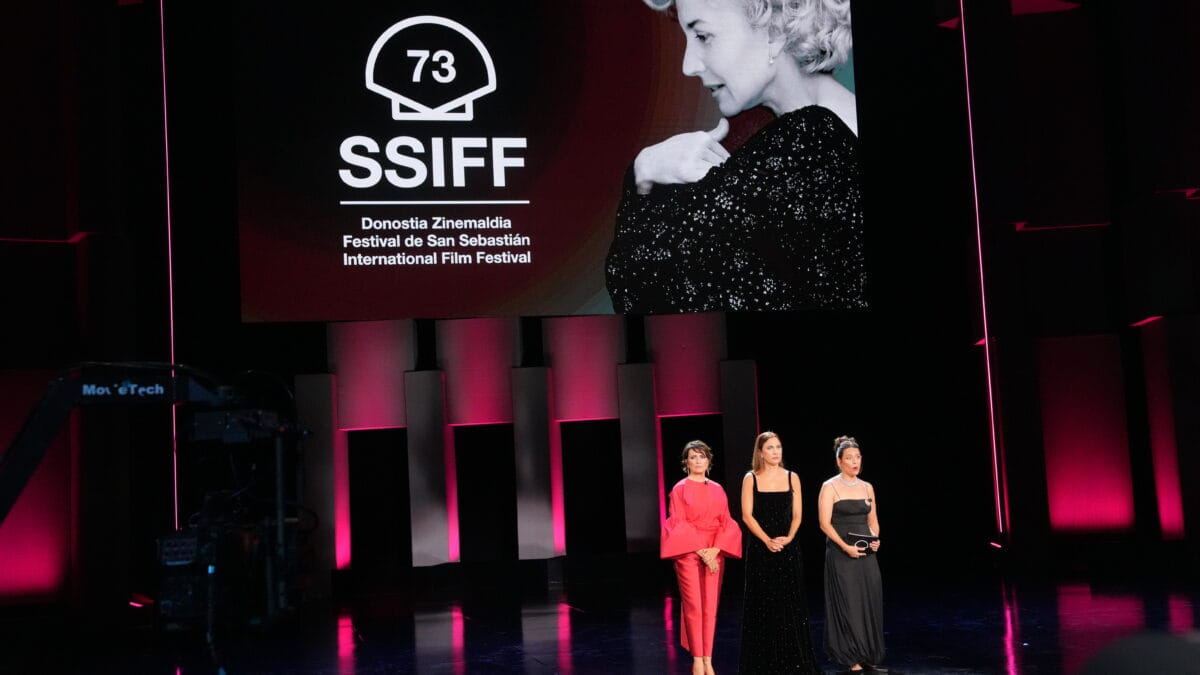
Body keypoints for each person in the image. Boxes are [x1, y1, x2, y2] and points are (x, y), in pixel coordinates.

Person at [605, 0, 865, 314]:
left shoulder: (809, 140)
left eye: (702, 36)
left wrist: (643, 170)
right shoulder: (821, 126)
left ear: (774, 30)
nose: (688, 65)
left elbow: (634, 285)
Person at [738, 431, 821, 673]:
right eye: (770, 448)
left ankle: (793, 662)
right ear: (760, 453)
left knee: (790, 605)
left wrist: (789, 537)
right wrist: (767, 540)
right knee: (763, 605)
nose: (776, 452)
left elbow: (797, 515)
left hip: (787, 549)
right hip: (761, 550)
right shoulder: (750, 478)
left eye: (778, 447)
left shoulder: (792, 477)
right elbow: (747, 516)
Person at [662, 440, 743, 675]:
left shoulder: (717, 489)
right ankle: (697, 659)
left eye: (702, 456)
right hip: (689, 552)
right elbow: (677, 523)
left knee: (710, 607)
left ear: (709, 461)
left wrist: (715, 550)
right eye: (693, 457)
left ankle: (708, 658)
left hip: (714, 550)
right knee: (694, 606)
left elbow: (726, 521)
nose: (698, 461)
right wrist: (700, 551)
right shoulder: (680, 489)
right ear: (686, 462)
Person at [818, 435, 885, 672]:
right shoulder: (829, 487)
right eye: (849, 458)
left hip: (866, 554)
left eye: (857, 457)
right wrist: (845, 547)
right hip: (841, 552)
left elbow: (873, 521)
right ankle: (850, 655)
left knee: (868, 599)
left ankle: (868, 652)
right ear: (839, 461)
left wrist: (874, 539)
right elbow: (824, 523)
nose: (855, 461)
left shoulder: (867, 487)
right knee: (849, 602)